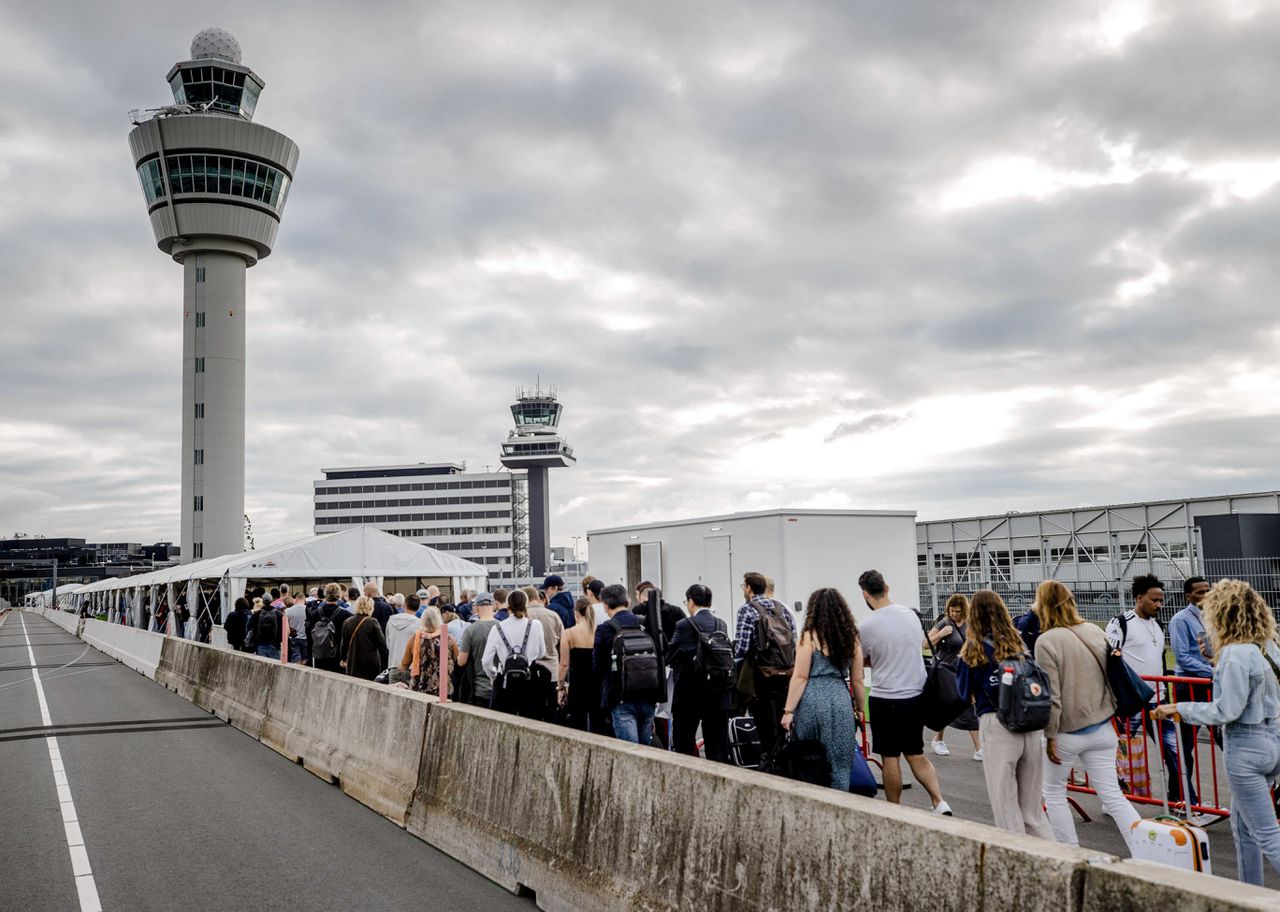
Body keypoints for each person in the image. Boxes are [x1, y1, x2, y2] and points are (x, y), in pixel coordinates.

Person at [1152, 579, 1280, 886]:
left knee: (1267, 835)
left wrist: (1178, 708)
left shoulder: (1235, 654)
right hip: (1272, 740)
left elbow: (1226, 710)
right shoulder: (1269, 648)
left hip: (1246, 747)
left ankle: (1250, 892)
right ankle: (1248, 892)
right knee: (1243, 828)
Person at [1034, 579, 1141, 849]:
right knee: (1114, 796)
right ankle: (1145, 849)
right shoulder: (1094, 630)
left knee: (1055, 793)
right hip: (1102, 726)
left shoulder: (1046, 641)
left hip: (1067, 731)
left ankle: (1069, 852)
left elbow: (1053, 696)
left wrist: (1049, 736)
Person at [957, 590, 1054, 837]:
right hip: (1030, 722)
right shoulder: (1018, 643)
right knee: (1032, 810)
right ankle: (1051, 857)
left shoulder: (974, 648)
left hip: (996, 722)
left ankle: (1017, 861)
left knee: (1006, 806)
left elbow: (963, 692)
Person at [858, 570, 950, 813]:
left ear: (865, 595)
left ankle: (895, 809)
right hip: (915, 695)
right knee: (915, 753)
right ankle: (939, 800)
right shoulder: (911, 615)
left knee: (890, 757)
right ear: (886, 587)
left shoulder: (866, 626)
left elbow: (863, 659)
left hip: (884, 696)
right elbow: (915, 645)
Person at [1106, 574, 1186, 804]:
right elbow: (1111, 659)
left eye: (1161, 600)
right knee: (1120, 753)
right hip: (1129, 702)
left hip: (1157, 700)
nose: (1159, 605)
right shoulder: (1120, 623)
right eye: (1154, 600)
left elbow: (1158, 660)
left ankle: (1180, 799)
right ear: (1139, 598)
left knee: (1173, 752)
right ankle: (1114, 799)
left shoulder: (1158, 625)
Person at [780, 588, 863, 788]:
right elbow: (858, 679)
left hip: (811, 699)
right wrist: (860, 709)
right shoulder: (852, 638)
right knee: (840, 765)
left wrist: (788, 711)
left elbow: (800, 676)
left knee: (808, 759)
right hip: (839, 699)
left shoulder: (809, 637)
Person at [1169, 574, 1218, 819]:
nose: (1205, 595)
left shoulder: (1213, 618)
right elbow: (1182, 657)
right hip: (1189, 686)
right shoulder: (1181, 620)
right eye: (1199, 592)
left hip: (1210, 685)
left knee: (1223, 738)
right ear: (1188, 595)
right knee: (1185, 746)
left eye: (1208, 590)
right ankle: (1183, 800)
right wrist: (1214, 673)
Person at [733, 571, 797, 756]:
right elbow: (793, 639)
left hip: (761, 677)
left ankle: (770, 763)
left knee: (765, 724)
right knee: (782, 721)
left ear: (749, 588)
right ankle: (783, 760)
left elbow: (742, 648)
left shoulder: (746, 610)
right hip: (785, 674)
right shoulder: (781, 608)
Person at [667, 584, 733, 762]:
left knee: (684, 741)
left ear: (690, 602)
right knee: (717, 746)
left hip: (691, 693)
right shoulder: (721, 624)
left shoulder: (684, 625)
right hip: (719, 692)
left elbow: (670, 654)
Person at [594, 583, 662, 744]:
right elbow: (660, 652)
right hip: (648, 695)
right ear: (628, 601)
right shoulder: (644, 623)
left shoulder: (605, 629)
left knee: (630, 752)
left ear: (605, 605)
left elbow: (597, 666)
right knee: (647, 751)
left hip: (620, 698)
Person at [928, 593, 982, 760]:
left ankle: (977, 747)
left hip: (964, 669)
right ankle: (939, 740)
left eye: (957, 611)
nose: (954, 614)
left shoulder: (970, 624)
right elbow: (925, 642)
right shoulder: (944, 622)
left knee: (966, 704)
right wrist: (941, 634)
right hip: (946, 670)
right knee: (948, 704)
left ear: (963, 610)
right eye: (951, 611)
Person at [482, 589, 546, 716]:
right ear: (525, 605)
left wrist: (493, 675)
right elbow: (541, 653)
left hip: (505, 680)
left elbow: (486, 661)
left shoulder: (497, 628)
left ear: (508, 606)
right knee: (531, 721)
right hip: (529, 679)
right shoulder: (536, 625)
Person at [559, 596, 603, 732]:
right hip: (598, 683)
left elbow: (564, 664)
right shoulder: (600, 632)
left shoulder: (568, 633)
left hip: (578, 684)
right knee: (599, 723)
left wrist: (560, 688)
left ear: (576, 613)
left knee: (577, 724)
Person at [522, 586, 564, 721]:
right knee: (552, 712)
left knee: (532, 713)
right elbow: (562, 644)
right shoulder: (553, 615)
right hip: (552, 670)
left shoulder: (523, 617)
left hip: (529, 671)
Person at [400, 605, 457, 696]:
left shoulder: (415, 639)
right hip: (443, 690)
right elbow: (457, 660)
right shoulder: (448, 638)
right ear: (438, 620)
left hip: (419, 688)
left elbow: (404, 664)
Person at [456, 593, 498, 706]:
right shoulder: (502, 627)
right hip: (499, 689)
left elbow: (461, 661)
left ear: (476, 608)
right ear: (494, 606)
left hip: (480, 689)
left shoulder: (471, 630)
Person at [308, 583, 354, 674]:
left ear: (325, 594)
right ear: (339, 595)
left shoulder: (315, 614)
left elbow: (309, 635)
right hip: (337, 656)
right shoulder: (346, 615)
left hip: (320, 655)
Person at [339, 595, 388, 680]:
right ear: (370, 607)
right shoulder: (372, 622)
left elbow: (344, 644)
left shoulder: (347, 622)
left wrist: (343, 658)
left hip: (353, 662)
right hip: (370, 662)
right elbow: (382, 643)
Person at [386, 594, 422, 685]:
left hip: (393, 665)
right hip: (411, 668)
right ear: (418, 607)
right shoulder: (420, 624)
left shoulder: (391, 620)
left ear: (404, 605)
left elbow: (388, 644)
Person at [283, 592, 308, 664]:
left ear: (296, 599)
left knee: (295, 656)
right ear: (304, 599)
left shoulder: (287, 611)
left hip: (293, 637)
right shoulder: (308, 610)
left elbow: (286, 628)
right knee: (305, 658)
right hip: (305, 637)